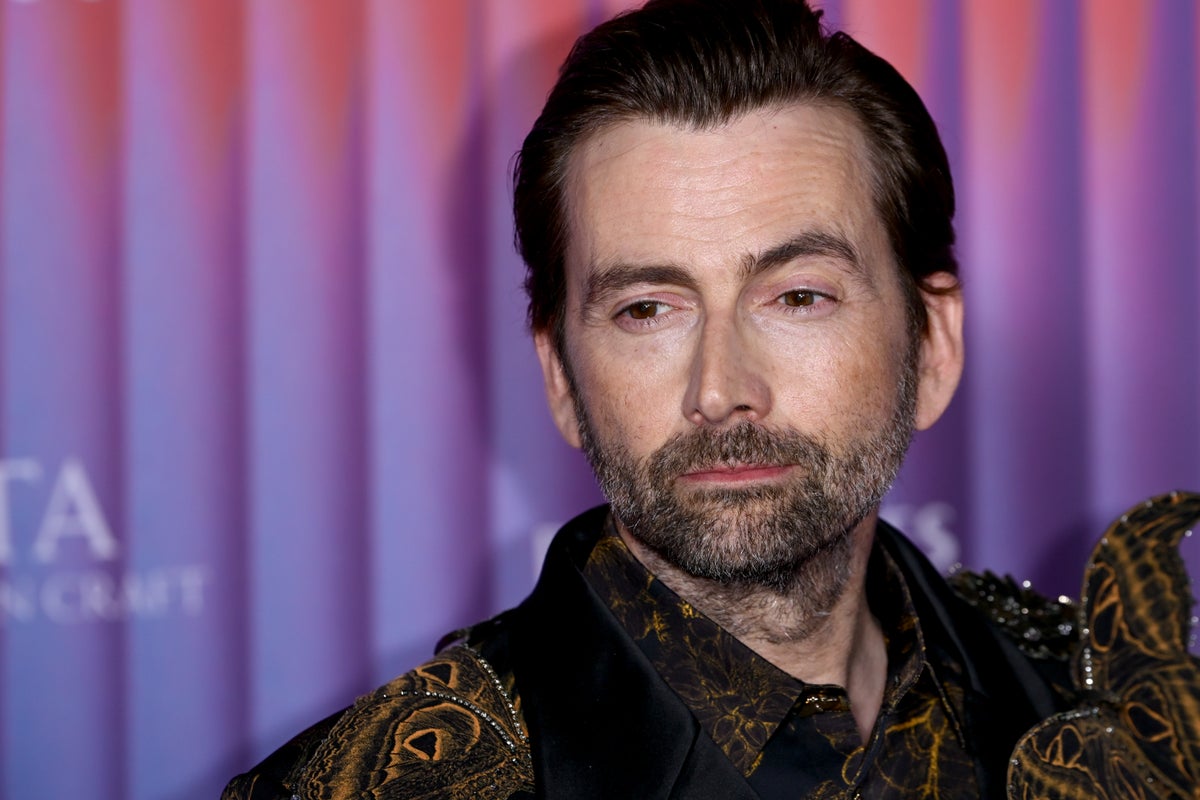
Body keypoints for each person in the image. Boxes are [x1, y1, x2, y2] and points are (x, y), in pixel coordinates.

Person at [223, 1, 1200, 797]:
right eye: (648, 308)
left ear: (933, 343)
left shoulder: (1117, 720)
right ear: (560, 376)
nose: (722, 389)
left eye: (799, 296)